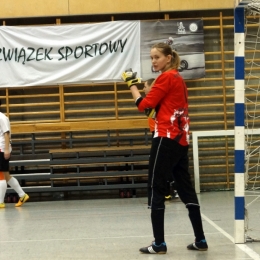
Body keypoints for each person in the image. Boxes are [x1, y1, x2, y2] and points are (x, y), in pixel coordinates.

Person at [121, 43, 208, 254]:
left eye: (157, 57)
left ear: (168, 58)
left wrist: (132, 85)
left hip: (165, 138)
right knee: (185, 188)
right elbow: (161, 109)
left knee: (156, 187)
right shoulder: (178, 78)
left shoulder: (166, 77)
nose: (153, 61)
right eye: (151, 58)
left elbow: (144, 105)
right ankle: (200, 240)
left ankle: (159, 243)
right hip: (180, 139)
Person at [143, 78, 178, 201]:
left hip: (162, 134)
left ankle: (170, 189)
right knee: (162, 164)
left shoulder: (156, 100)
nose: (144, 89)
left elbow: (148, 110)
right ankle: (168, 189)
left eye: (145, 86)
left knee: (162, 164)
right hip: (156, 133)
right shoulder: (152, 100)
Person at [0, 100, 29, 208]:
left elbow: (6, 134)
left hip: (2, 149)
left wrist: (6, 149)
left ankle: (0, 202)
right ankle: (22, 195)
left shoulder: (1, 117)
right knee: (6, 175)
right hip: (1, 148)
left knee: (1, 175)